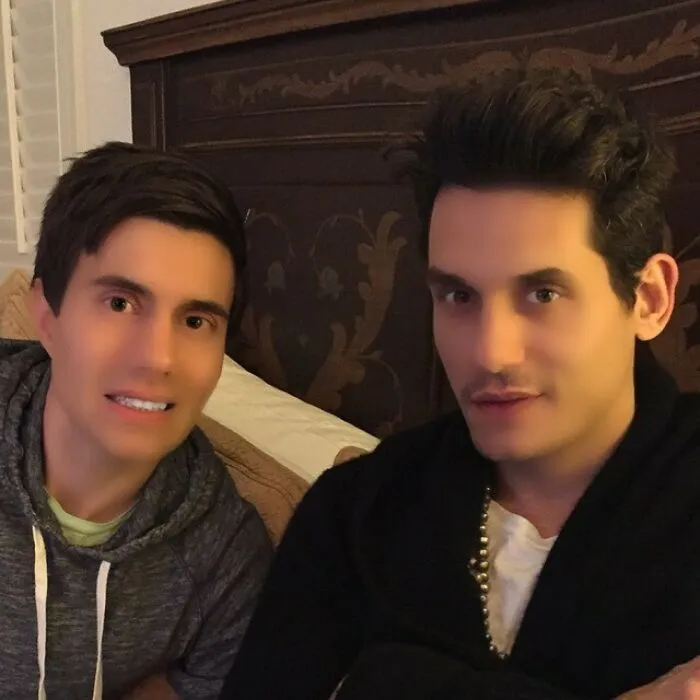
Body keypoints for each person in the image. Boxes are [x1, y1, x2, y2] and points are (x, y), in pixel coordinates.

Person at [220, 69, 700, 700]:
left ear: (649, 298)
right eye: (459, 295)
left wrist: (380, 679)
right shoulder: (355, 514)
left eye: (543, 293)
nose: (490, 352)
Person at [0, 142, 272, 699]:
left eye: (195, 321)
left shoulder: (227, 560)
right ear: (46, 317)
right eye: (120, 303)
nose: (158, 358)